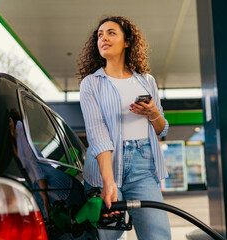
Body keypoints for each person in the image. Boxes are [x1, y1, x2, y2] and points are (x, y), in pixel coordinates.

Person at [77, 16, 171, 240]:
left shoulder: (146, 81)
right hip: (105, 170)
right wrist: (109, 182)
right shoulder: (91, 83)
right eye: (100, 35)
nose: (103, 38)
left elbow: (163, 129)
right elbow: (98, 134)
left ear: (127, 41)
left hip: (142, 170)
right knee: (105, 236)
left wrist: (152, 113)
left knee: (158, 236)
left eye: (111, 33)